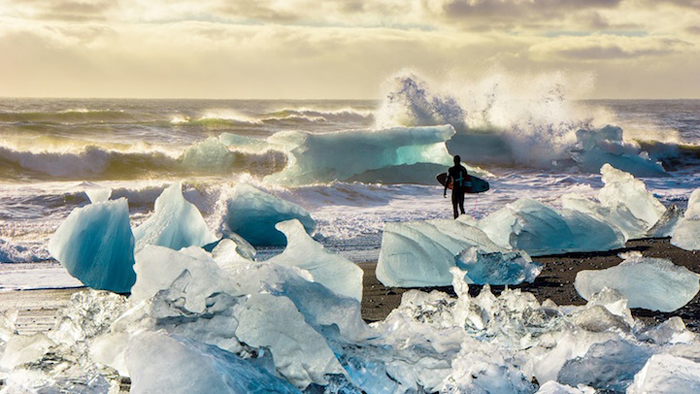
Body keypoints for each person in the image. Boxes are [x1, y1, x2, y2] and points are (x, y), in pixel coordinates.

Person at [443, 155, 469, 219]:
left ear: (454, 161)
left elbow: (447, 180)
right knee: (461, 206)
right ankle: (465, 221)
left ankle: (456, 221)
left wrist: (445, 190)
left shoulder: (451, 170)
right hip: (462, 190)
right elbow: (467, 180)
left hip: (455, 190)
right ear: (460, 161)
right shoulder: (463, 169)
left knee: (455, 207)